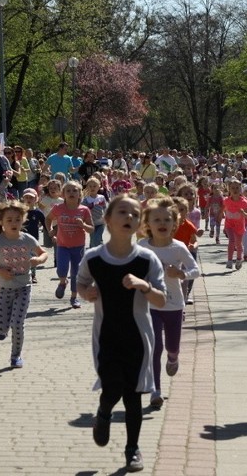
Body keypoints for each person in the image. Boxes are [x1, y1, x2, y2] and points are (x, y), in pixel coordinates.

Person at [76, 194, 167, 473]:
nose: (129, 217)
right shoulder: (93, 258)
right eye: (123, 213)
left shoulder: (146, 259)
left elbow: (163, 300)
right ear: (108, 220)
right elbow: (81, 284)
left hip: (139, 338)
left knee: (133, 395)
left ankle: (132, 450)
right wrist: (86, 292)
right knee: (112, 386)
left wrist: (144, 286)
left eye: (135, 214)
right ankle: (103, 413)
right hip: (106, 336)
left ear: (140, 224)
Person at [138, 197, 199, 408]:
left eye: (167, 219)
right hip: (150, 304)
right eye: (157, 220)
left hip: (174, 305)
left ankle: (173, 358)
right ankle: (156, 390)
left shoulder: (179, 248)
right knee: (155, 347)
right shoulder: (142, 246)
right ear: (148, 224)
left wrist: (181, 274)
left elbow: (196, 270)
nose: (162, 223)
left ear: (176, 223)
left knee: (172, 346)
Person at [0, 201, 48, 368]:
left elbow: (44, 253)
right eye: (9, 220)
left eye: (17, 219)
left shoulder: (27, 239)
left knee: (17, 323)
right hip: (5, 288)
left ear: (23, 220)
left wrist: (38, 260)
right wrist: (0, 272)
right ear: (2, 221)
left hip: (24, 287)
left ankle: (15, 355)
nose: (13, 223)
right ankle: (1, 330)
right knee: (2, 327)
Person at [47, 180, 93, 308]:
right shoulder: (58, 208)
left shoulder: (84, 210)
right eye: (68, 190)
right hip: (62, 245)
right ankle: (62, 282)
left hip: (78, 246)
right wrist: (51, 230)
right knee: (61, 269)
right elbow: (48, 218)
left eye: (75, 190)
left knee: (75, 273)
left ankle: (74, 297)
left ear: (80, 194)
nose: (71, 193)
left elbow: (92, 229)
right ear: (63, 194)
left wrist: (83, 225)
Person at [222, 179, 247, 270]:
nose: (235, 190)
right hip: (229, 225)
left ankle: (239, 259)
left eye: (237, 188)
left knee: (238, 244)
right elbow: (223, 210)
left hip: (239, 226)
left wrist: (242, 213)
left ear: (240, 189)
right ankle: (229, 261)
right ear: (229, 189)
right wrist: (220, 216)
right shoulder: (226, 201)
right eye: (232, 188)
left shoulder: (244, 202)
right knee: (232, 241)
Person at [82, 177, 108, 248]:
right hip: (91, 224)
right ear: (87, 187)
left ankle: (101, 251)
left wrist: (106, 216)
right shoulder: (86, 199)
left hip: (101, 223)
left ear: (99, 186)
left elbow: (105, 207)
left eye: (94, 186)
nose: (92, 188)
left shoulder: (101, 197)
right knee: (93, 240)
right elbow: (82, 210)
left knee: (97, 239)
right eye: (90, 186)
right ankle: (92, 253)